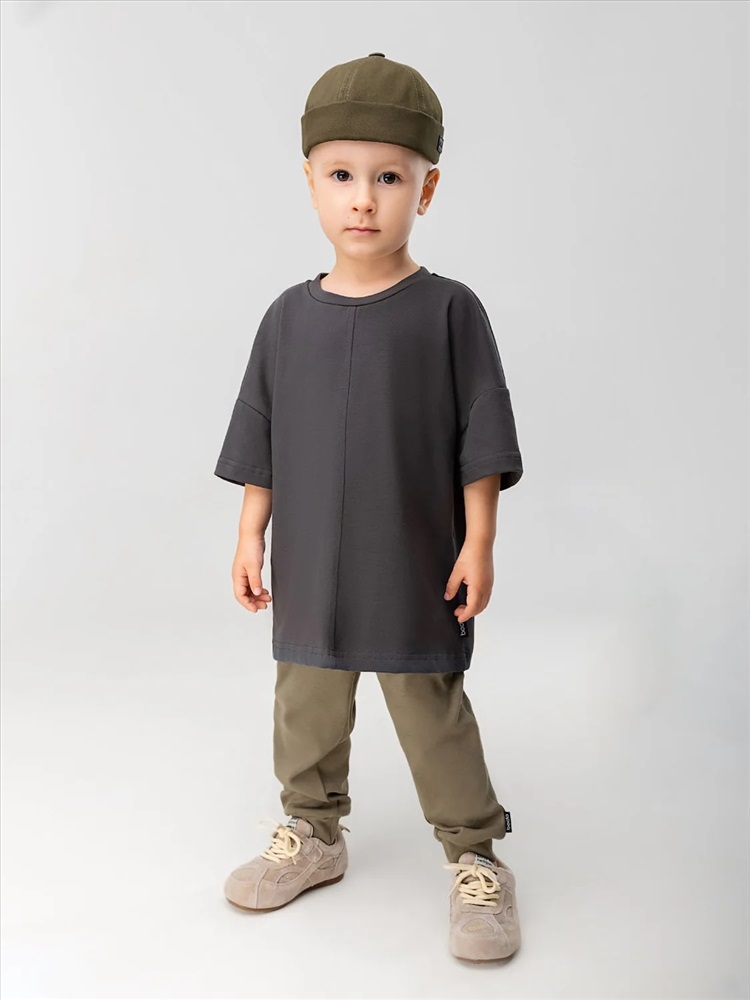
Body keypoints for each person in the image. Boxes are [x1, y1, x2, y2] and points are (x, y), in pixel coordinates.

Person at [213, 52, 524, 963]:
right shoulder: (286, 317)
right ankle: (313, 832)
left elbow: (481, 436)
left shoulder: (449, 312)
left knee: (431, 710)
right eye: (342, 176)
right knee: (304, 704)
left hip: (413, 557)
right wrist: (249, 535)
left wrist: (478, 542)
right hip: (311, 562)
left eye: (389, 178)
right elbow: (262, 432)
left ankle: (476, 856)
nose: (363, 200)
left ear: (426, 190)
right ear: (310, 182)